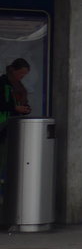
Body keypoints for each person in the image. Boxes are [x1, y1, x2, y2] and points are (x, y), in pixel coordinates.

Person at [1, 58, 33, 195]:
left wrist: (26, 109)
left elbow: (23, 102)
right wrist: (15, 108)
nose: (22, 77)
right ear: (13, 70)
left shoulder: (19, 86)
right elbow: (2, 103)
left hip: (14, 126)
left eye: (24, 75)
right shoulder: (2, 83)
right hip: (3, 126)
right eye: (20, 74)